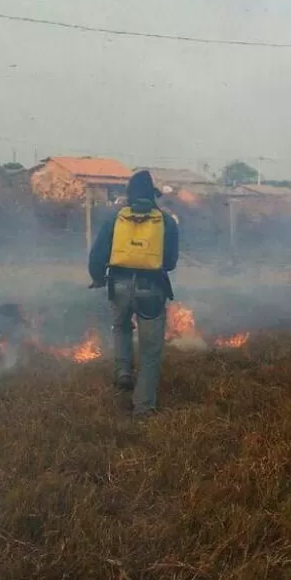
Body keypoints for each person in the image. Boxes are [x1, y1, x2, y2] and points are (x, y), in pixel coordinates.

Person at [88, 170, 180, 417]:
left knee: (121, 326)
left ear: (129, 195)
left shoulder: (114, 219)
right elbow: (170, 262)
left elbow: (97, 255)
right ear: (153, 195)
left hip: (117, 284)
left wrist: (98, 277)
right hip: (151, 289)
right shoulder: (166, 221)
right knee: (150, 350)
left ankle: (124, 372)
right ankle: (143, 407)